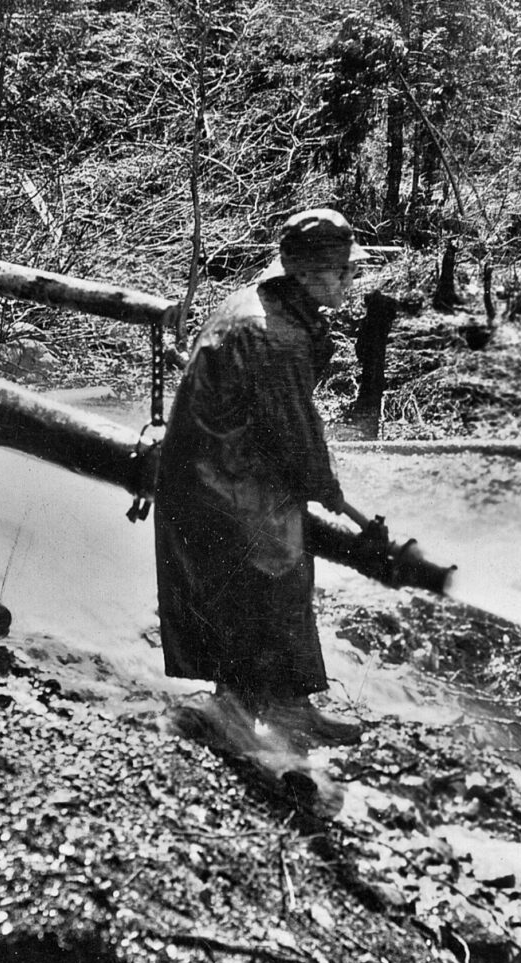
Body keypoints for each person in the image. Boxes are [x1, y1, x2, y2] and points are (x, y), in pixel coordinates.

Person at [154, 208, 382, 744]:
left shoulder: (259, 304)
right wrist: (326, 489)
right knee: (271, 579)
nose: (350, 282)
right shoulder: (274, 334)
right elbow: (294, 431)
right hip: (222, 481)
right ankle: (250, 713)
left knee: (268, 582)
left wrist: (316, 484)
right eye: (342, 272)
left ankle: (281, 706)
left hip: (214, 470)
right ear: (305, 274)